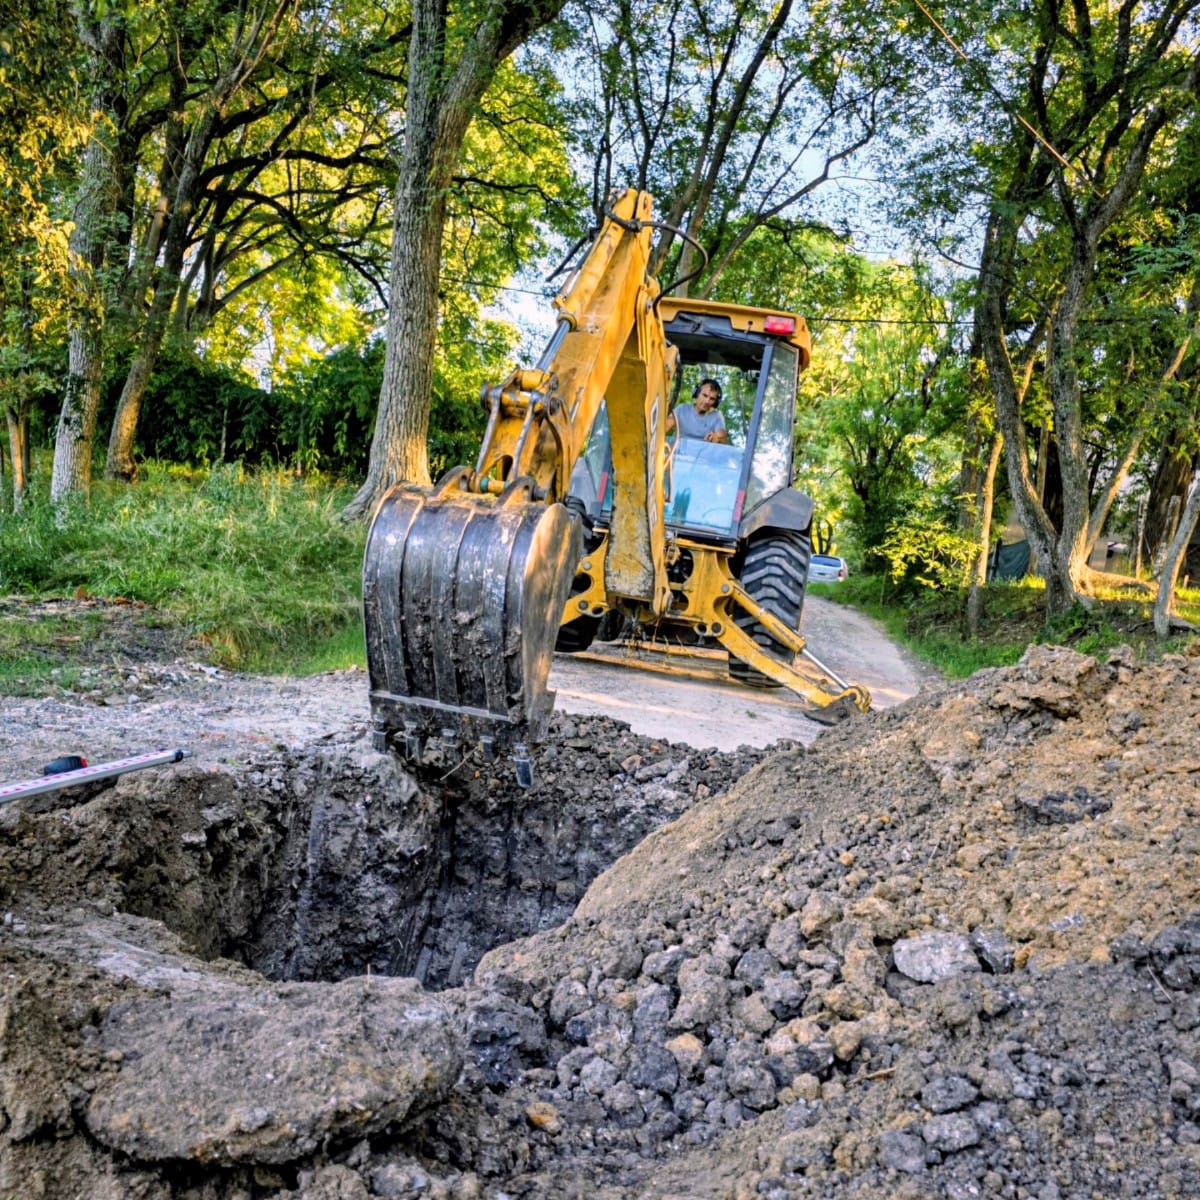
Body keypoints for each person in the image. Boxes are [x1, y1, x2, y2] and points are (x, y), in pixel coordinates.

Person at [667, 378, 729, 444]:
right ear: (697, 393)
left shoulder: (716, 416)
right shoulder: (682, 409)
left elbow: (722, 438)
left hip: (704, 450)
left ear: (715, 402)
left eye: (712, 399)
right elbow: (665, 426)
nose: (707, 401)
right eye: (705, 395)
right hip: (678, 449)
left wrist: (717, 438)